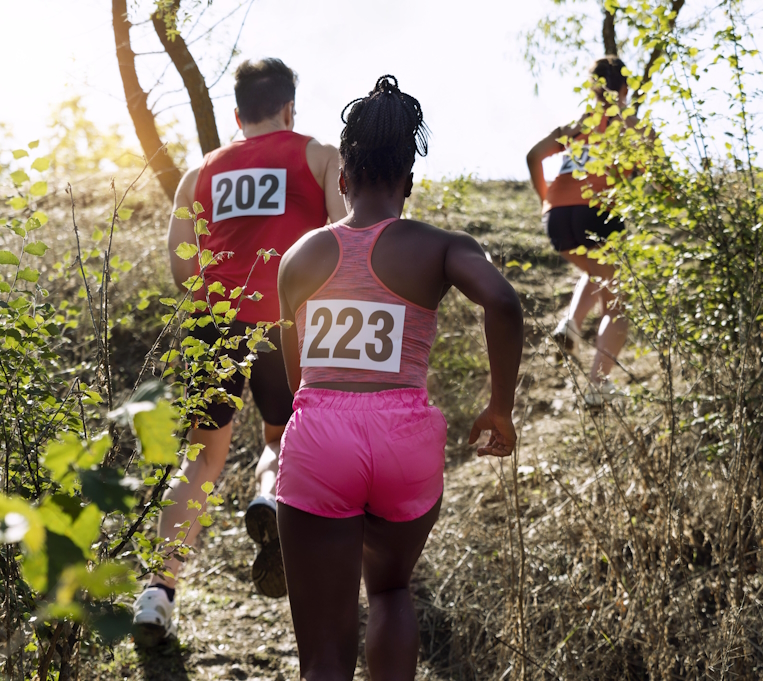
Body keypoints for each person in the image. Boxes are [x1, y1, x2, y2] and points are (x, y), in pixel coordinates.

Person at [275, 75, 523, 681]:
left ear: (343, 179)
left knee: (324, 659)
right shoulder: (438, 246)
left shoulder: (300, 256)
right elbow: (504, 303)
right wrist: (498, 409)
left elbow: (296, 366)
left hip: (321, 437)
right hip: (404, 441)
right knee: (389, 593)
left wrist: (312, 419)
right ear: (408, 184)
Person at [133, 57, 347, 645]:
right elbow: (348, 235)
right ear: (288, 107)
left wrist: (219, 299)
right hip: (288, 320)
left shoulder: (199, 172)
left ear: (235, 114)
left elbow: (181, 265)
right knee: (280, 436)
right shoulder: (320, 155)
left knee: (201, 458)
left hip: (213, 322)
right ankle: (267, 496)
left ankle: (157, 593)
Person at [526, 56, 645, 405]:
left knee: (598, 271)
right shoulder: (630, 124)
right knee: (616, 305)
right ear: (624, 89)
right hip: (597, 214)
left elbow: (533, 156)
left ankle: (571, 326)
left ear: (592, 89)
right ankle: (597, 387)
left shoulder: (576, 126)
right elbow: (652, 174)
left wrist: (545, 199)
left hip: (558, 219)